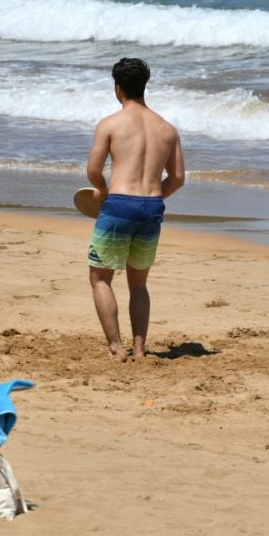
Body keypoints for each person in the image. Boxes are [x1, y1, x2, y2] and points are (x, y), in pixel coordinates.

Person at [85, 57, 185, 361]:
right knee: (138, 282)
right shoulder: (167, 129)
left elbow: (93, 170)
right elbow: (178, 178)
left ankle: (117, 347)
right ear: (144, 85)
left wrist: (103, 193)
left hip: (119, 204)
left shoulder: (111, 124)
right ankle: (140, 348)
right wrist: (154, 199)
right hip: (151, 207)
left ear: (118, 89)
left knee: (100, 277)